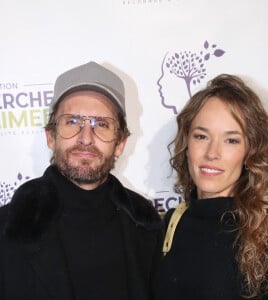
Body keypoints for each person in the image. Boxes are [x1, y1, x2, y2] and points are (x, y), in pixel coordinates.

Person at [0, 61, 163, 300]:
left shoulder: (148, 228)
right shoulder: (7, 229)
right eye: (73, 122)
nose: (86, 138)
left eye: (102, 124)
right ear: (50, 137)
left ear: (120, 143)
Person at [152, 74, 268, 299]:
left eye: (231, 140)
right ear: (186, 143)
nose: (212, 153)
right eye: (201, 136)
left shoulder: (267, 234)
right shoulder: (171, 224)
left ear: (250, 152)